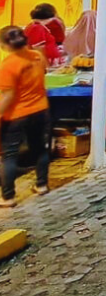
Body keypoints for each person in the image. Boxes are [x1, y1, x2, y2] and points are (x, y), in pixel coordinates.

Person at [0, 25, 51, 206]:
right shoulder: (37, 56)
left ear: (5, 45)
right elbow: (45, 71)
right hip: (40, 110)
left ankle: (8, 197)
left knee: (9, 155)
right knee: (39, 148)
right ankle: (42, 185)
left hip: (16, 115)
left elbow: (8, 96)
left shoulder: (8, 65)